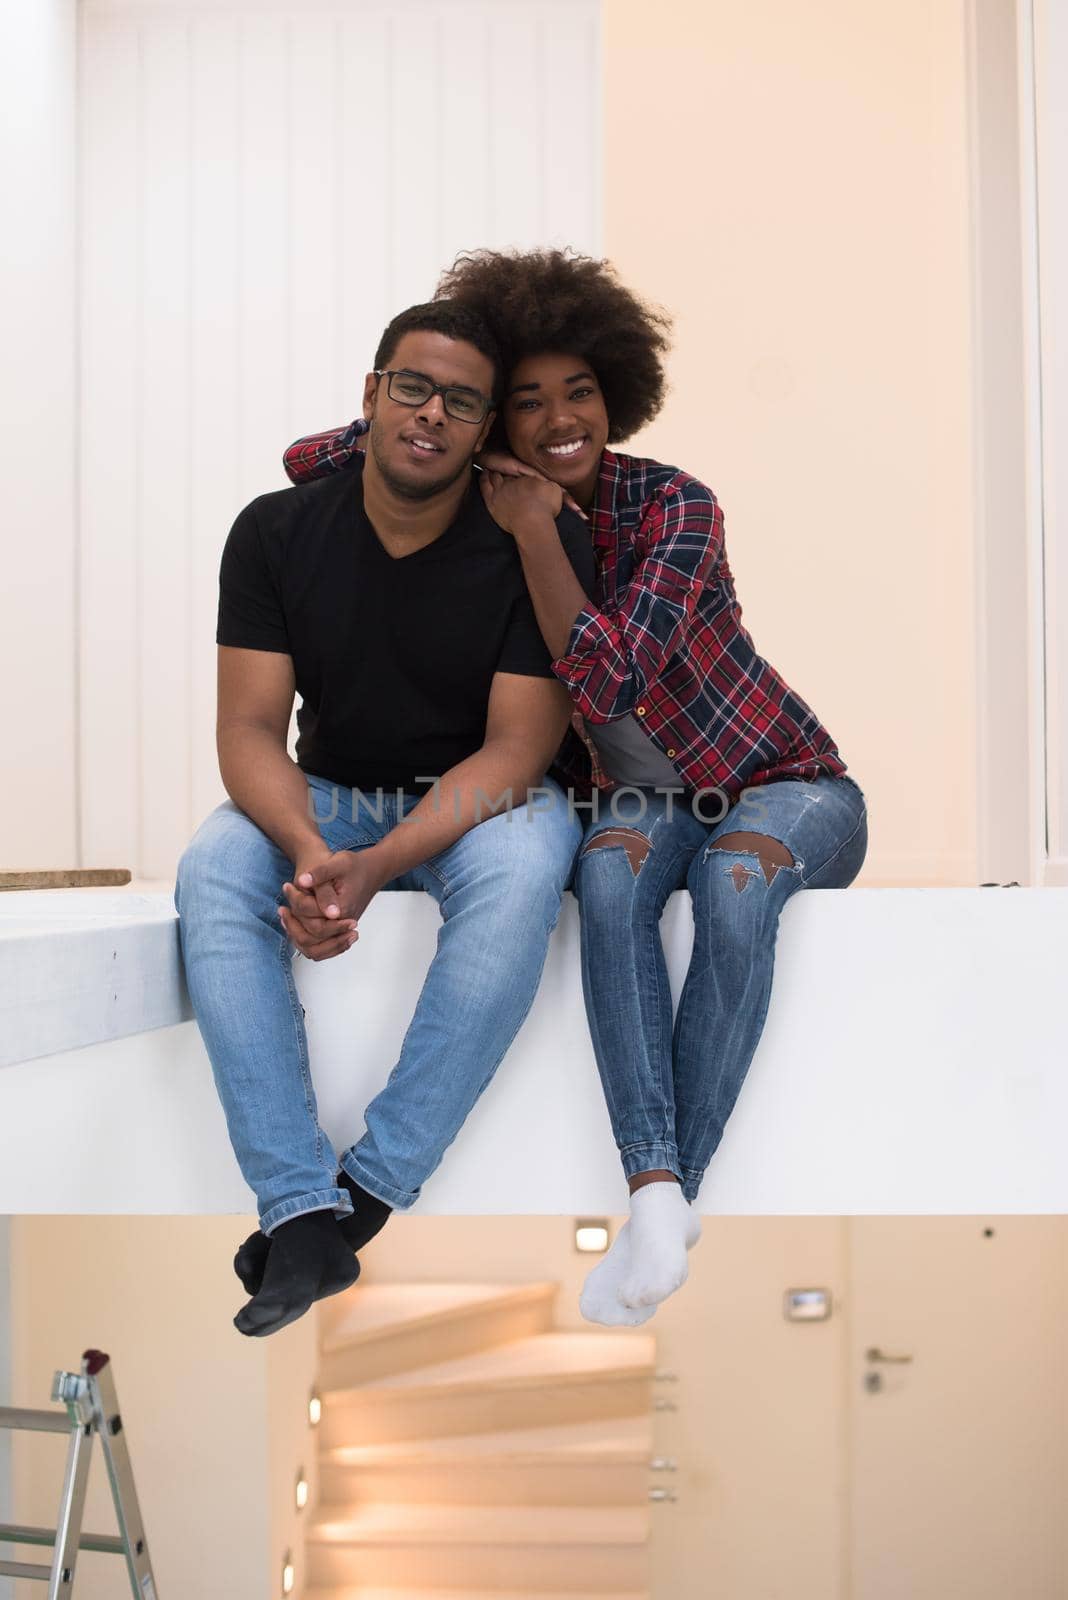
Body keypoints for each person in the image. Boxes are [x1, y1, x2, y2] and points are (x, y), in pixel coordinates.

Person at [282, 249, 868, 1328]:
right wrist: (459, 430)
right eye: (525, 399)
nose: (561, 417)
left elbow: (606, 675)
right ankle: (657, 1199)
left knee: (738, 883)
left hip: (780, 781)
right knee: (606, 884)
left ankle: (663, 1191)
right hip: (644, 804)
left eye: (581, 391)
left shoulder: (675, 507)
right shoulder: (482, 480)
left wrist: (540, 529)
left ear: (617, 390)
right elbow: (307, 457)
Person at [174, 299, 593, 1337]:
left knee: (536, 852)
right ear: (371, 395)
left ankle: (356, 1200)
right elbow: (249, 729)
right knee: (217, 863)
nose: (430, 414)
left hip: (477, 802)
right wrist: (318, 852)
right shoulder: (275, 531)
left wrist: (378, 863)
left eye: (462, 401)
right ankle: (296, 1200)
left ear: (483, 426)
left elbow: (516, 750)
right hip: (329, 793)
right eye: (413, 387)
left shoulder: (528, 547)